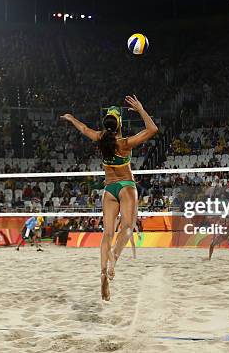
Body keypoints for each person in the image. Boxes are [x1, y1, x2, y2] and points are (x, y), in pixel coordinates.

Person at [61, 95, 158, 300]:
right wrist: (140, 109)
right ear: (119, 124)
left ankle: (103, 272)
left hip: (109, 189)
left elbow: (84, 129)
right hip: (125, 186)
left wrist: (72, 119)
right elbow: (152, 130)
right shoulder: (124, 143)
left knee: (107, 233)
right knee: (128, 227)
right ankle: (114, 255)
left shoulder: (99, 138)